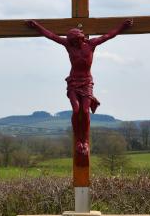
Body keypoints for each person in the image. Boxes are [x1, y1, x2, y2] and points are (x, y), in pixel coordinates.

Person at [26, 18, 133, 157]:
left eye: (75, 41)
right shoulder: (68, 45)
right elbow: (52, 36)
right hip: (74, 82)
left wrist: (122, 27)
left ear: (80, 38)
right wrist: (37, 27)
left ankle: (85, 141)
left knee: (85, 110)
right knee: (76, 110)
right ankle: (78, 140)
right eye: (72, 42)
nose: (73, 44)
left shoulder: (91, 44)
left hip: (87, 82)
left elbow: (108, 35)